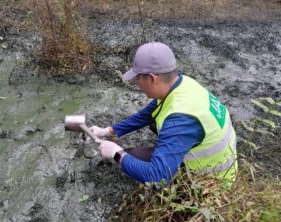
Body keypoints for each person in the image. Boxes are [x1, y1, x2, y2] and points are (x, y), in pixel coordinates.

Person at [91, 42, 237, 185]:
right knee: (154, 121)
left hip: (212, 182)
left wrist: (117, 153)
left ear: (152, 79)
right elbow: (145, 115)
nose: (138, 83)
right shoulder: (181, 83)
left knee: (133, 156)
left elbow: (157, 178)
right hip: (209, 150)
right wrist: (108, 131)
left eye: (139, 78)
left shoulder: (179, 120)